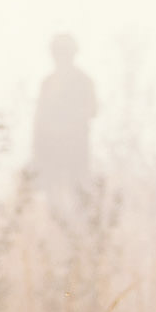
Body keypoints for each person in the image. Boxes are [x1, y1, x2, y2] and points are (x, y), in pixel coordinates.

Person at [32, 32, 99, 197]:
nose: (60, 57)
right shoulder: (48, 83)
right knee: (52, 194)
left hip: (75, 147)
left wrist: (70, 120)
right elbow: (39, 119)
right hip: (50, 148)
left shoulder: (83, 81)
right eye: (58, 52)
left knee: (79, 192)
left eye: (64, 52)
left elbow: (92, 110)